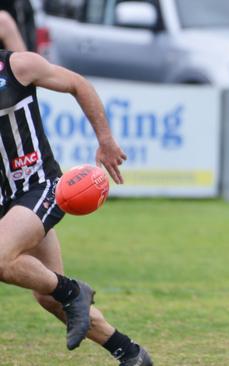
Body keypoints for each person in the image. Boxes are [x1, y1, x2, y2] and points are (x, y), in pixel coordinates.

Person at [0, 48, 153, 365]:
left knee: (3, 259)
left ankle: (72, 291)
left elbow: (78, 84)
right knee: (48, 296)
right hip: (6, 201)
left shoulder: (18, 65)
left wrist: (106, 139)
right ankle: (130, 353)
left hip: (38, 187)